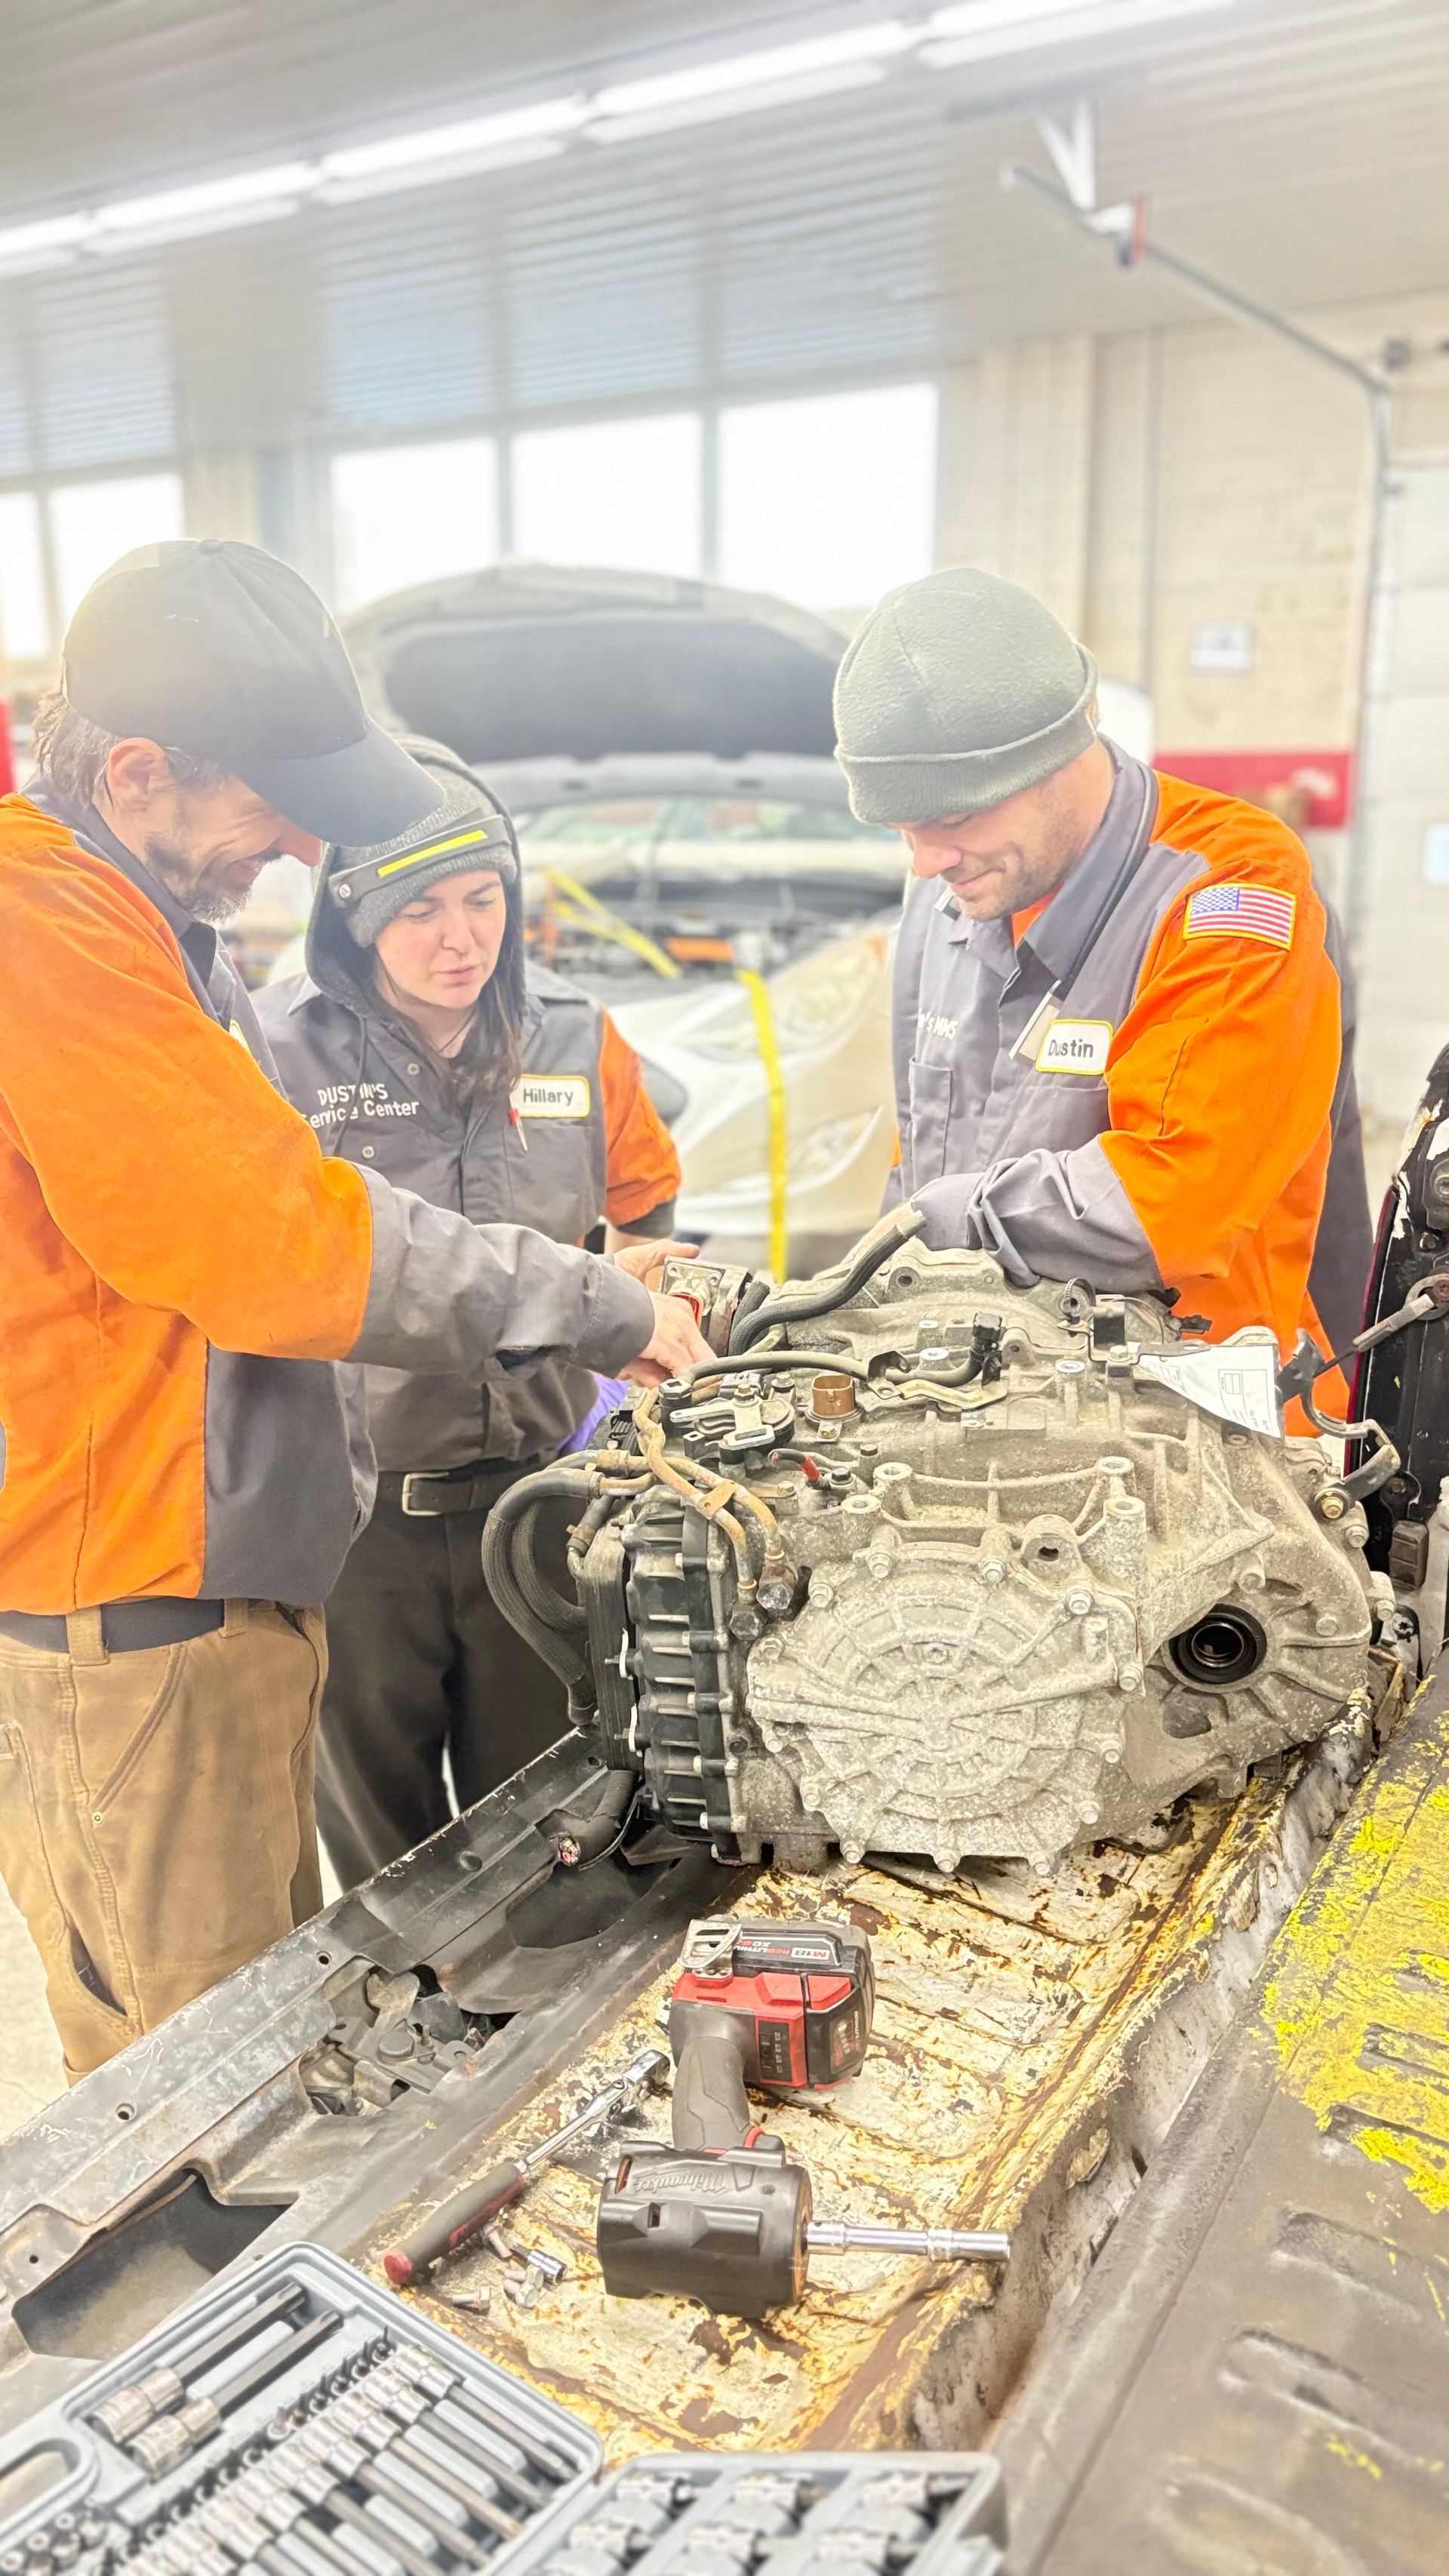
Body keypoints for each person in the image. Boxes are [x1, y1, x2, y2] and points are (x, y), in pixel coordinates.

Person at [0, 537, 709, 2079]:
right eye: (274, 800)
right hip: (128, 1604)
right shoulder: (46, 929)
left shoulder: (149, 928)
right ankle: (210, 2327)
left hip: (205, 1580)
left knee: (257, 2031)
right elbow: (275, 1240)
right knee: (189, 2089)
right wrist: (588, 1300)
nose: (300, 842)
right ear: (137, 772)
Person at [256, 739, 687, 1885]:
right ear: (352, 921)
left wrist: (651, 1282)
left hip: (543, 1510)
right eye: (422, 912)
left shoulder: (578, 1041)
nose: (463, 940)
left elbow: (643, 1214)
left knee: (557, 1830)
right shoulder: (271, 1055)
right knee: (385, 1865)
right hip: (357, 1538)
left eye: (483, 900)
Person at [832, 567, 1371, 1368]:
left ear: (1057, 755)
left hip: (1203, 1423)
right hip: (975, 1403)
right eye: (901, 829)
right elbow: (920, 1153)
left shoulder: (1230, 887)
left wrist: (932, 1224)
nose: (927, 860)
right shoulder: (946, 896)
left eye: (951, 818)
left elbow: (1176, 1204)